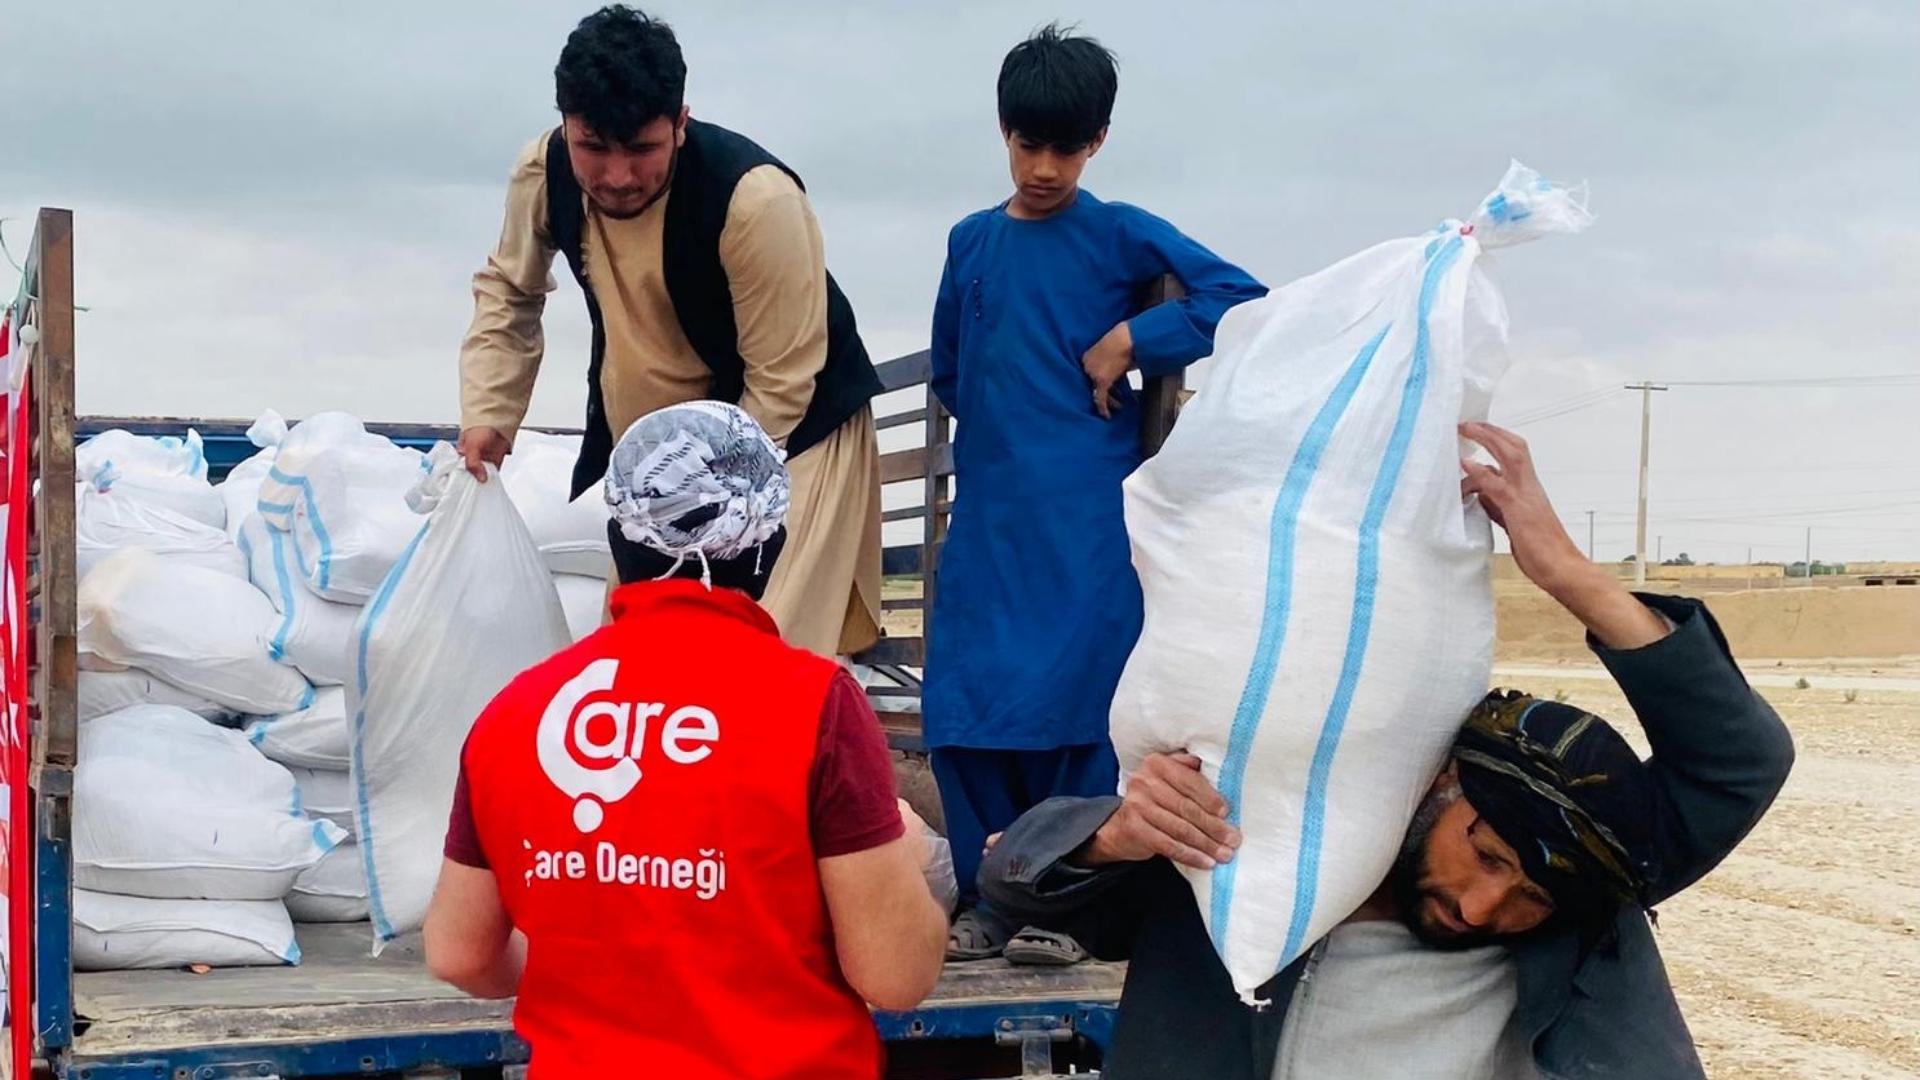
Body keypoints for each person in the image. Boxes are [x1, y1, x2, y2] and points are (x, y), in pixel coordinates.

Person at [977, 422, 1796, 1079]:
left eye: (1529, 897)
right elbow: (1014, 887)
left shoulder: (1584, 877)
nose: (1483, 908)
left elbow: (1741, 762)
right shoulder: (1251, 858)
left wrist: (1568, 575)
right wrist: (1119, 834)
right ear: (1442, 780)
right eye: (1486, 855)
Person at [423, 402, 947, 1078]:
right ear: (769, 546)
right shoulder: (815, 704)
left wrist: (584, 960)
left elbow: (459, 952)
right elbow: (896, 976)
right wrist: (915, 865)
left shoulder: (519, 709)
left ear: (616, 538)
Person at [925, 23, 1268, 962]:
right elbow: (952, 366)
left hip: (1087, 518)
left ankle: (1065, 904)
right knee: (967, 707)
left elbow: (1239, 298)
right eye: (1029, 144)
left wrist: (1133, 340)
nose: (1045, 168)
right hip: (991, 516)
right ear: (1003, 131)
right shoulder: (971, 242)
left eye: (1067, 149)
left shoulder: (1118, 232)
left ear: (1099, 142)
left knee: (1080, 702)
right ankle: (986, 900)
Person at [456, 5, 884, 657]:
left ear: (680, 124)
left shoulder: (756, 203)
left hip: (791, 438)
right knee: (641, 660)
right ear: (565, 124)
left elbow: (782, 384)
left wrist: (711, 519)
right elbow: (511, 293)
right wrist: (489, 410)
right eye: (593, 147)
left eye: (642, 149)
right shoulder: (542, 173)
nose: (617, 176)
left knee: (747, 659)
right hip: (662, 453)